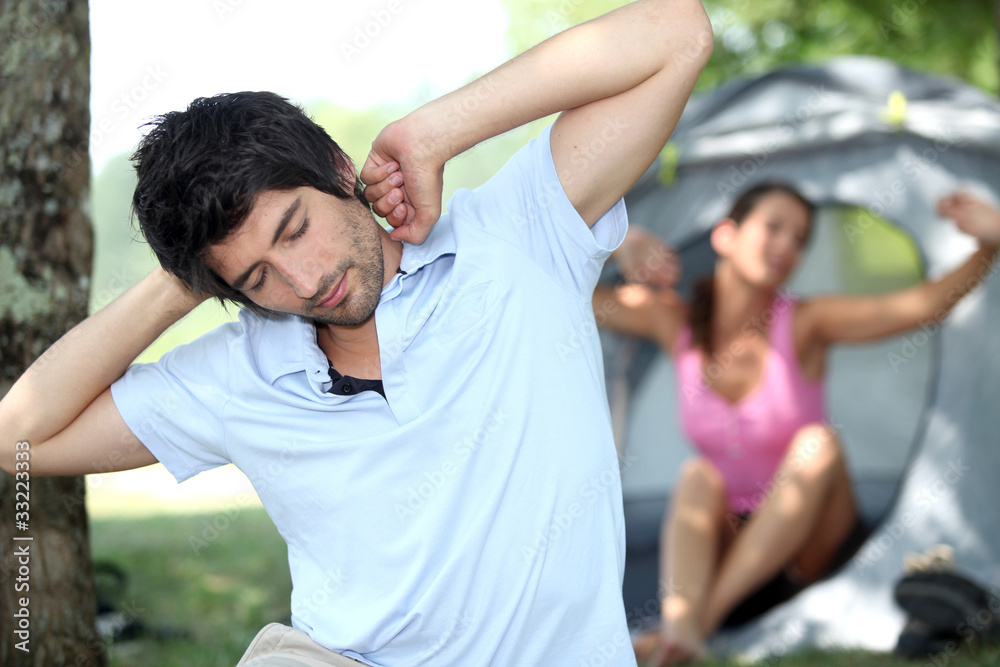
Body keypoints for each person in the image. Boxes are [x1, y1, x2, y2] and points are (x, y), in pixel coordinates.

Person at [0, 1, 714, 665]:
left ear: (340, 170)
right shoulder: (238, 374)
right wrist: (180, 279)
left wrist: (434, 130)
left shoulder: (520, 234)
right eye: (256, 279)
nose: (305, 282)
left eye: (296, 228)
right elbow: (19, 437)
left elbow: (675, 31)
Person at [593, 183, 1000, 666]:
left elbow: (923, 306)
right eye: (774, 228)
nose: (787, 246)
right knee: (697, 474)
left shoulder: (807, 321)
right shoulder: (673, 322)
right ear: (726, 235)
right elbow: (569, 293)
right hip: (733, 543)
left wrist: (989, 246)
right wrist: (617, 241)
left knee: (816, 444)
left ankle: (690, 630)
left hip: (811, 550)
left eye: (800, 238)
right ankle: (682, 625)